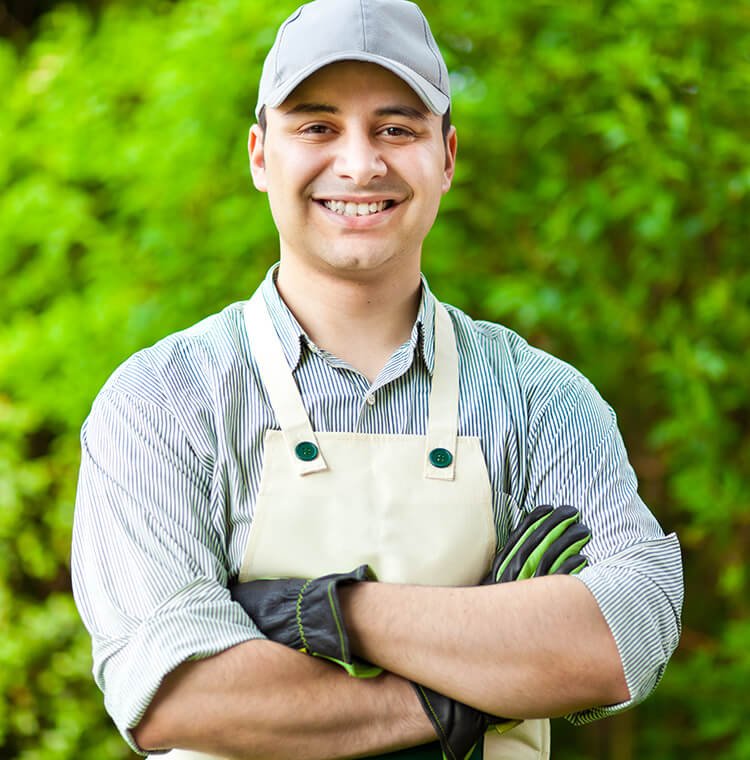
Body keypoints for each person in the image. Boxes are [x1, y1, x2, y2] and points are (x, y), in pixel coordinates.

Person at [71, 0, 684, 758]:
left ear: (448, 157)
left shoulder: (542, 400)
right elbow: (175, 693)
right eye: (317, 127)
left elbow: (626, 635)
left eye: (396, 129)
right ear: (261, 155)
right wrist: (463, 684)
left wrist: (340, 614)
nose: (361, 164)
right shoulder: (162, 401)